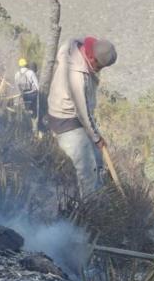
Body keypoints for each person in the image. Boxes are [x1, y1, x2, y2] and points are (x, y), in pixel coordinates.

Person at [46, 36, 116, 199]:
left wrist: (96, 139)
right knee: (86, 168)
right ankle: (90, 207)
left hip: (76, 117)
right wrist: (96, 138)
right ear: (91, 57)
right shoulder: (76, 77)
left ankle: (100, 190)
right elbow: (82, 113)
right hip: (66, 120)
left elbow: (78, 39)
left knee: (98, 158)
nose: (100, 69)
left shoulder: (76, 46)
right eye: (99, 65)